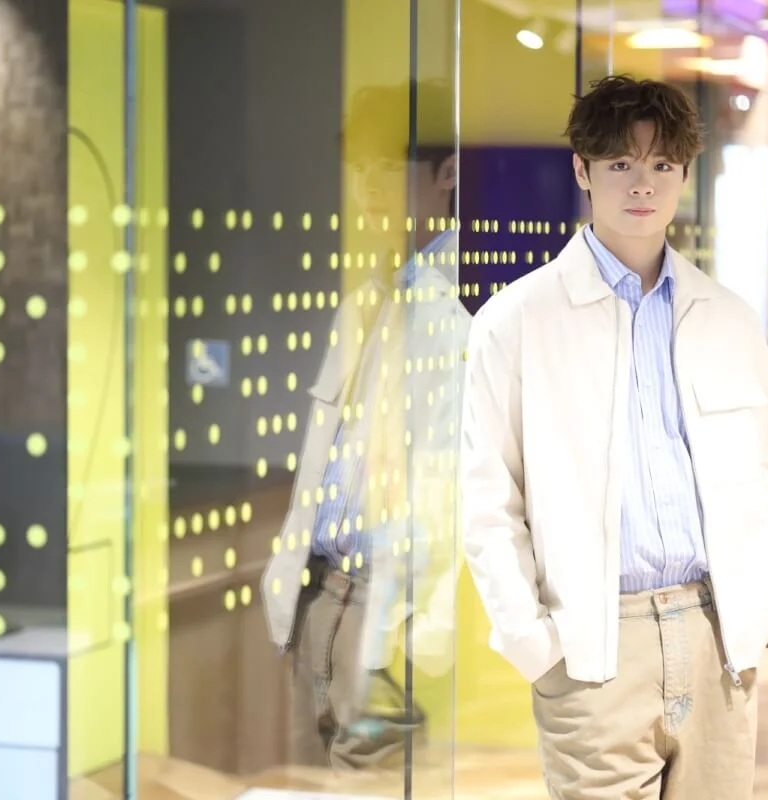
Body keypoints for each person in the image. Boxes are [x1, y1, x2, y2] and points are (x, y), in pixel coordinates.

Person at [459, 74, 768, 799]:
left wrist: (762, 611)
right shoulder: (516, 320)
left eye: (661, 165)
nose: (642, 184)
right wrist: (534, 643)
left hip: (716, 637)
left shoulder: (728, 318)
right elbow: (488, 500)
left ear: (684, 174)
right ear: (582, 171)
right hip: (594, 650)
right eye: (620, 163)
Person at [261, 80, 469, 772]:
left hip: (389, 615)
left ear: (445, 174)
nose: (369, 187)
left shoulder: (465, 314)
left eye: (388, 166)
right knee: (308, 782)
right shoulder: (361, 302)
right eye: (359, 168)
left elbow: (450, 490)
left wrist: (411, 631)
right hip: (320, 600)